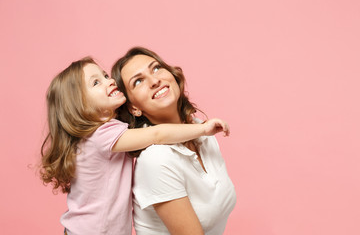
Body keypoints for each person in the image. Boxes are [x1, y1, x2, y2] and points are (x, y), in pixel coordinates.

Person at [40, 57, 230, 235]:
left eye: (105, 75)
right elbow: (157, 134)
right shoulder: (101, 136)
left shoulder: (106, 133)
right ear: (79, 105)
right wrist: (203, 129)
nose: (109, 81)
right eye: (96, 82)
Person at [112, 47, 237, 235]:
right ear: (134, 108)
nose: (154, 81)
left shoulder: (201, 129)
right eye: (138, 81)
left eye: (155, 68)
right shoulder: (156, 159)